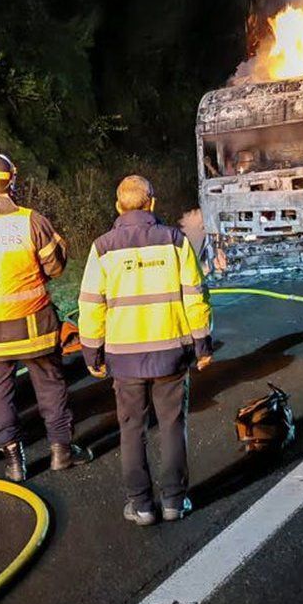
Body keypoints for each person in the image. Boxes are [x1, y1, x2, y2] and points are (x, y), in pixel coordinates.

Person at [79, 175, 213, 526]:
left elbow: (91, 305)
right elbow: (195, 296)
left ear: (118, 205)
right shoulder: (174, 241)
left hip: (124, 359)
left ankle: (140, 506)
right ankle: (173, 501)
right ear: (151, 203)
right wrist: (202, 344)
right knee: (171, 425)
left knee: (131, 428)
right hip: (171, 352)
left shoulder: (102, 248)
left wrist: (91, 352)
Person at [0, 152, 91, 481]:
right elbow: (55, 266)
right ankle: (61, 451)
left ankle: (14, 462)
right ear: (11, 182)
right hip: (34, 324)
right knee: (50, 385)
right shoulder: (30, 220)